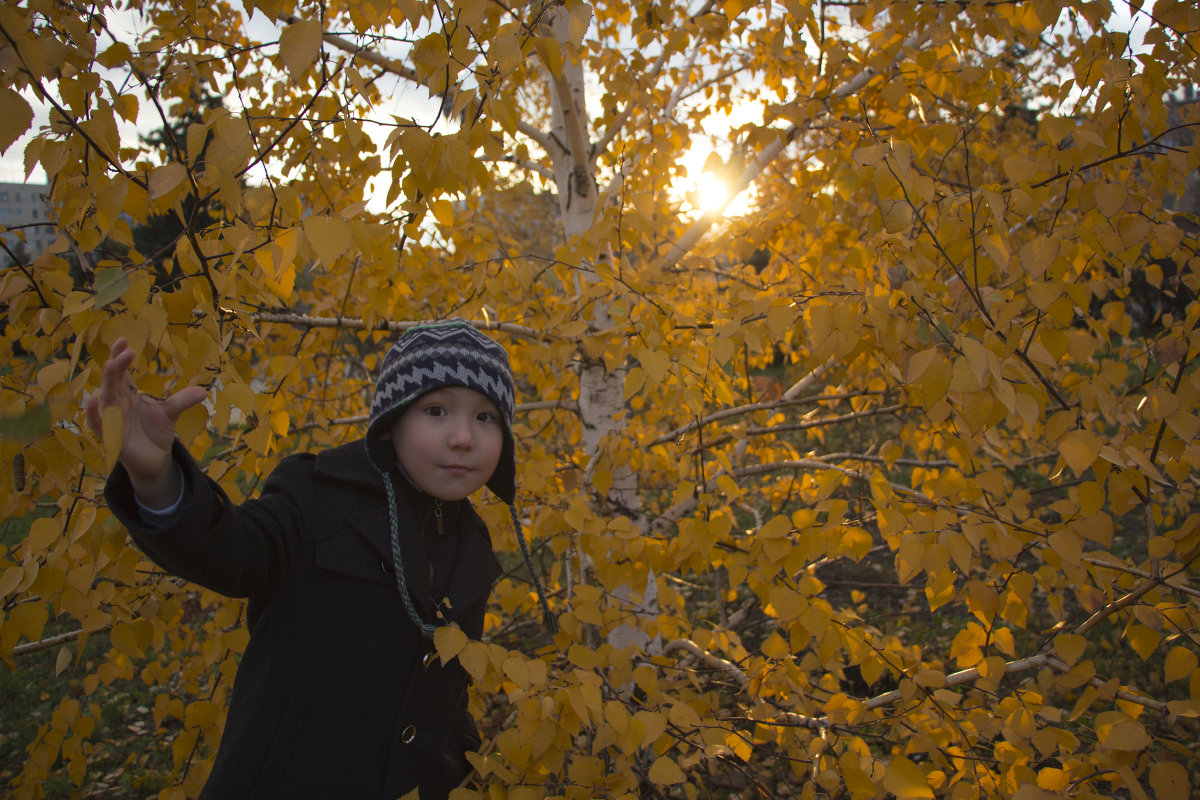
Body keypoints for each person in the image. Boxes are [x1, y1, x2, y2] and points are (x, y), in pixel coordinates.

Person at [86, 319, 555, 800]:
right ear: (391, 424)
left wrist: (458, 761)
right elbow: (233, 554)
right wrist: (158, 480)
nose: (463, 438)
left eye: (485, 417)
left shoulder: (472, 544)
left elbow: (447, 689)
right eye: (436, 410)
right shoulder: (317, 495)